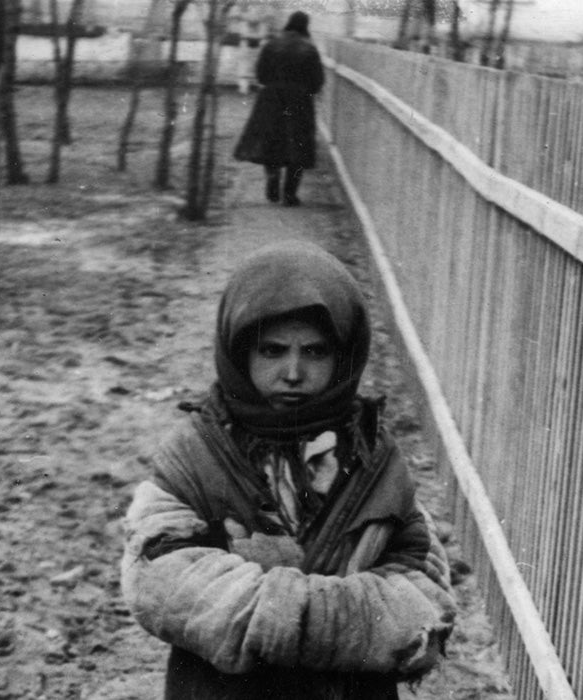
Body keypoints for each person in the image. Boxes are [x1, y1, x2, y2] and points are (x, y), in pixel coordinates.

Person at [121, 241, 457, 699]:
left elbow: (424, 595)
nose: (293, 372)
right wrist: (336, 618)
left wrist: (287, 615)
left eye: (316, 352)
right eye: (273, 351)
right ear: (239, 352)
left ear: (344, 356)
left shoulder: (372, 457)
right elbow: (160, 581)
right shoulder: (195, 454)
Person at [233, 12, 325, 207]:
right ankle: (290, 194)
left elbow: (260, 75)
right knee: (299, 146)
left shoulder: (271, 45)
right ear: (305, 26)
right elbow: (317, 82)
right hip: (299, 102)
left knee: (271, 141)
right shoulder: (309, 49)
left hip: (271, 100)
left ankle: (273, 179)